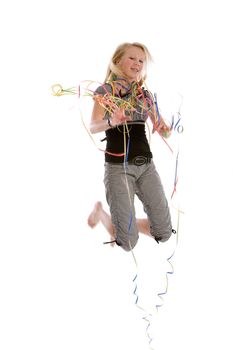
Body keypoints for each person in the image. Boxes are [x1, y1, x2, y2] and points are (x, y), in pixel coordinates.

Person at [87, 42, 175, 252]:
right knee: (127, 243)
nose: (137, 64)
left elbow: (162, 128)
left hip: (146, 166)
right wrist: (113, 121)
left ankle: (123, 224)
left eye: (141, 60)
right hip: (119, 169)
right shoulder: (106, 91)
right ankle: (103, 215)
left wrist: (165, 129)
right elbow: (93, 126)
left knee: (163, 233)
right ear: (118, 61)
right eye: (132, 58)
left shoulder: (145, 96)